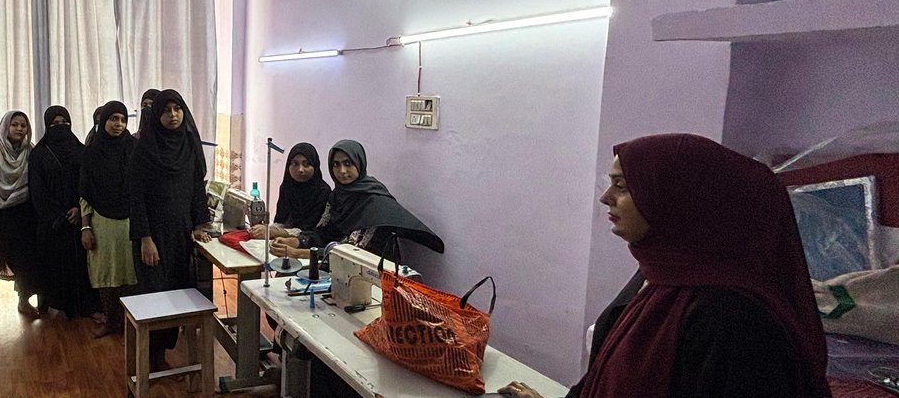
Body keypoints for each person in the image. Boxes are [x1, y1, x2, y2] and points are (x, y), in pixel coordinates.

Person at [500, 134, 830, 398]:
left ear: (680, 200)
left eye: (622, 186)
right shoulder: (658, 276)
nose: (605, 197)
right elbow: (607, 372)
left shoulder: (734, 320)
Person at [128, 90, 212, 366]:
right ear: (157, 115)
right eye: (166, 110)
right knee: (155, 295)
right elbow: (136, 196)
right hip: (152, 236)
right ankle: (151, 357)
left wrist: (199, 224)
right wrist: (145, 237)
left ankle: (163, 351)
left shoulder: (189, 145)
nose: (173, 115)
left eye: (177, 109)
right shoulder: (144, 149)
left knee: (176, 292)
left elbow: (196, 188)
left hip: (180, 234)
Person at [268, 139, 444, 260]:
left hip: (373, 279)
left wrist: (297, 252)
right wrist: (298, 241)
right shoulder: (338, 195)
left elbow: (352, 252)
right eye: (336, 164)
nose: (342, 171)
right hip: (342, 270)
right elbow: (324, 231)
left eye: (348, 163)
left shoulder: (374, 202)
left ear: (359, 163)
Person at [29, 106, 99, 320]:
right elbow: (37, 190)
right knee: (56, 266)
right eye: (55, 124)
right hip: (53, 223)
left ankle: (85, 307)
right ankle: (57, 305)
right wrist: (60, 215)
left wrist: (79, 209)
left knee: (82, 266)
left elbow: (88, 184)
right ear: (47, 126)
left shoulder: (81, 151)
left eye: (65, 123)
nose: (61, 127)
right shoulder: (39, 154)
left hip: (81, 220)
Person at [0, 110, 42, 317]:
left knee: (28, 260)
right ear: (6, 126)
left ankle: (24, 300)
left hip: (27, 214)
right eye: (15, 124)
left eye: (23, 125)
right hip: (4, 215)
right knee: (12, 257)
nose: (19, 129)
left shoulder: (31, 150)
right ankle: (22, 299)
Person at [79, 101, 139, 338]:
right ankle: (112, 320)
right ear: (103, 121)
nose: (118, 124)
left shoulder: (134, 148)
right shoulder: (91, 152)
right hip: (101, 223)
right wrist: (85, 227)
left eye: (123, 120)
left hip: (130, 222)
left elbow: (142, 188)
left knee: (130, 274)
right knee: (105, 274)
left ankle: (130, 323)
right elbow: (84, 193)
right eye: (113, 119)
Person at [250, 142, 331, 240]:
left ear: (315, 166)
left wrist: (273, 232)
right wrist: (265, 229)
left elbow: (311, 230)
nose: (300, 169)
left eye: (306, 164)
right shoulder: (287, 187)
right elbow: (282, 221)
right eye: (295, 164)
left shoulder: (323, 192)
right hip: (288, 240)